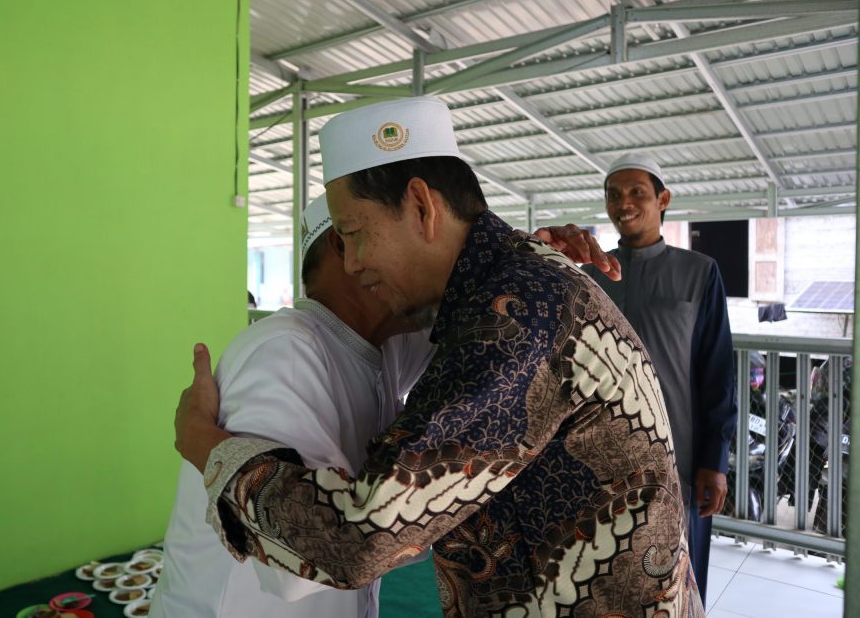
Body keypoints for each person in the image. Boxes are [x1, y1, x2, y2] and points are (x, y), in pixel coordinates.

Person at [175, 97, 703, 617]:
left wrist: (209, 449)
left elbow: (363, 536)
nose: (355, 262)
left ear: (422, 206)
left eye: (355, 234)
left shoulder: (510, 315)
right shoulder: (515, 283)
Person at [151, 193, 617, 618]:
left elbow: (471, 318)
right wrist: (206, 447)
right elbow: (303, 557)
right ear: (346, 247)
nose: (436, 266)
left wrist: (521, 262)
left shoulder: (379, 343)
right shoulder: (286, 352)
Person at [582, 152, 737, 604]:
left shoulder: (700, 273)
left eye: (636, 192)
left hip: (678, 457)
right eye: (613, 194)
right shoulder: (591, 275)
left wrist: (715, 460)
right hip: (600, 455)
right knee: (601, 572)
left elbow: (717, 372)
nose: (623, 202)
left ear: (662, 199)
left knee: (678, 575)